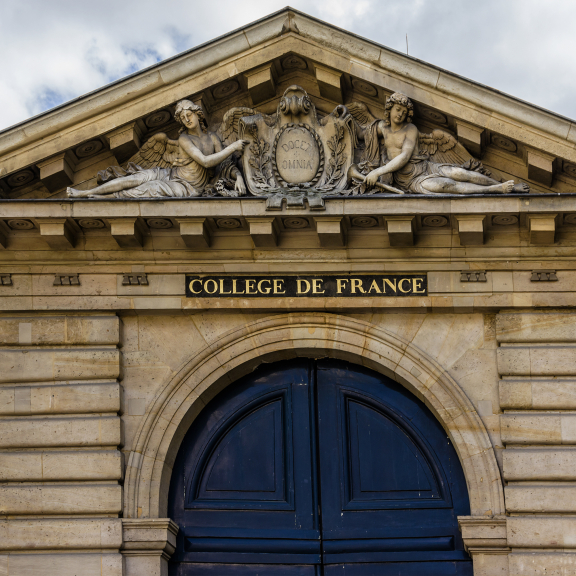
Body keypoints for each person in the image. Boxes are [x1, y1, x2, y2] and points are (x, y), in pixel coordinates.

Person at [67, 100, 247, 198]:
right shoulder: (184, 139)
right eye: (183, 118)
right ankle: (86, 192)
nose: (187, 119)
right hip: (168, 174)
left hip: (187, 188)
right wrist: (233, 146)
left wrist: (238, 176)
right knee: (136, 178)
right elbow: (206, 161)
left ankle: (100, 199)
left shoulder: (213, 138)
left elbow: (224, 166)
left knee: (146, 189)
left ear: (197, 114)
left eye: (189, 115)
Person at [358, 93, 529, 195]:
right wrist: (341, 118)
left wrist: (377, 172)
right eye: (397, 109)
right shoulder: (379, 128)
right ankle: (497, 189)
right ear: (389, 108)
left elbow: (404, 156)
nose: (400, 114)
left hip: (424, 168)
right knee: (449, 185)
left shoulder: (411, 129)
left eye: (404, 112)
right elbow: (360, 134)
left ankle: (507, 187)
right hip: (410, 181)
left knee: (460, 172)